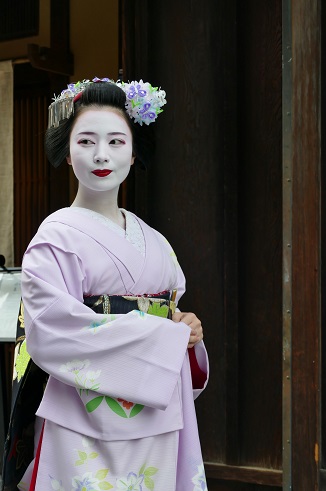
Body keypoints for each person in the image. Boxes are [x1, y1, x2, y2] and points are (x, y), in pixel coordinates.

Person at [2, 78, 208, 491]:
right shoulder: (53, 238)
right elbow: (53, 332)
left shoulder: (156, 240)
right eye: (86, 142)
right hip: (81, 416)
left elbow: (172, 314)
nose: (101, 155)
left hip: (157, 415)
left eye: (116, 142)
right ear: (66, 152)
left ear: (134, 155)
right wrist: (163, 337)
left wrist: (187, 329)